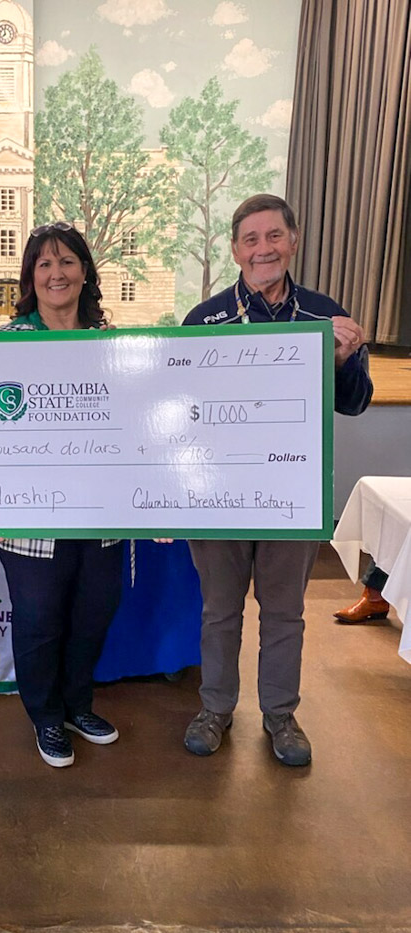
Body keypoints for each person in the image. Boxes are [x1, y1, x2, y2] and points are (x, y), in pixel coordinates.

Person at [181, 194, 373, 767]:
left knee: (284, 611)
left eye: (273, 236)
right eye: (250, 239)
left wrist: (340, 361)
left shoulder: (323, 317)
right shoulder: (205, 319)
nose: (262, 248)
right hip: (219, 499)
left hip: (291, 494)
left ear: (293, 240)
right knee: (219, 610)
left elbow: (356, 403)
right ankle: (215, 707)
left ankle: (280, 715)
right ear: (235, 249)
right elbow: (181, 412)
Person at [0, 222, 124, 768]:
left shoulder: (117, 346)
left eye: (67, 261)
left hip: (104, 515)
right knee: (40, 622)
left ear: (85, 272)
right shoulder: (3, 346)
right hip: (28, 522)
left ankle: (77, 706)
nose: (56, 273)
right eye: (44, 264)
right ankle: (46, 718)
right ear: (30, 278)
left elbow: (141, 430)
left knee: (93, 616)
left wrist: (164, 500)